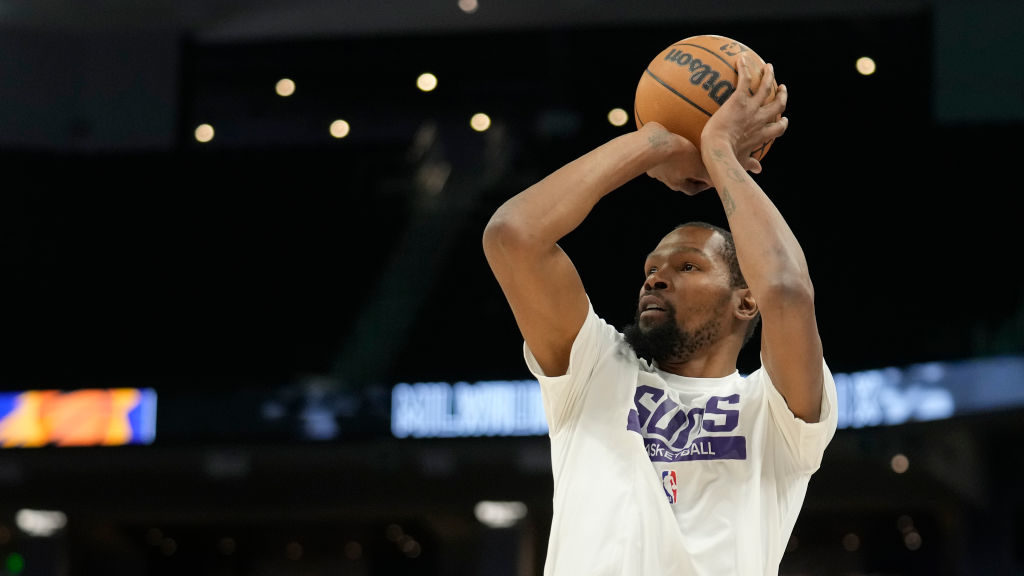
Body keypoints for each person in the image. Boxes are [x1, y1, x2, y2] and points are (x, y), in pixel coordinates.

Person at [482, 54, 838, 575]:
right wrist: (660, 140)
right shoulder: (595, 371)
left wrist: (719, 154)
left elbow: (786, 289)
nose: (655, 277)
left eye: (688, 265)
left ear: (745, 300)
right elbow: (512, 235)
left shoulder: (774, 412)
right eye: (651, 268)